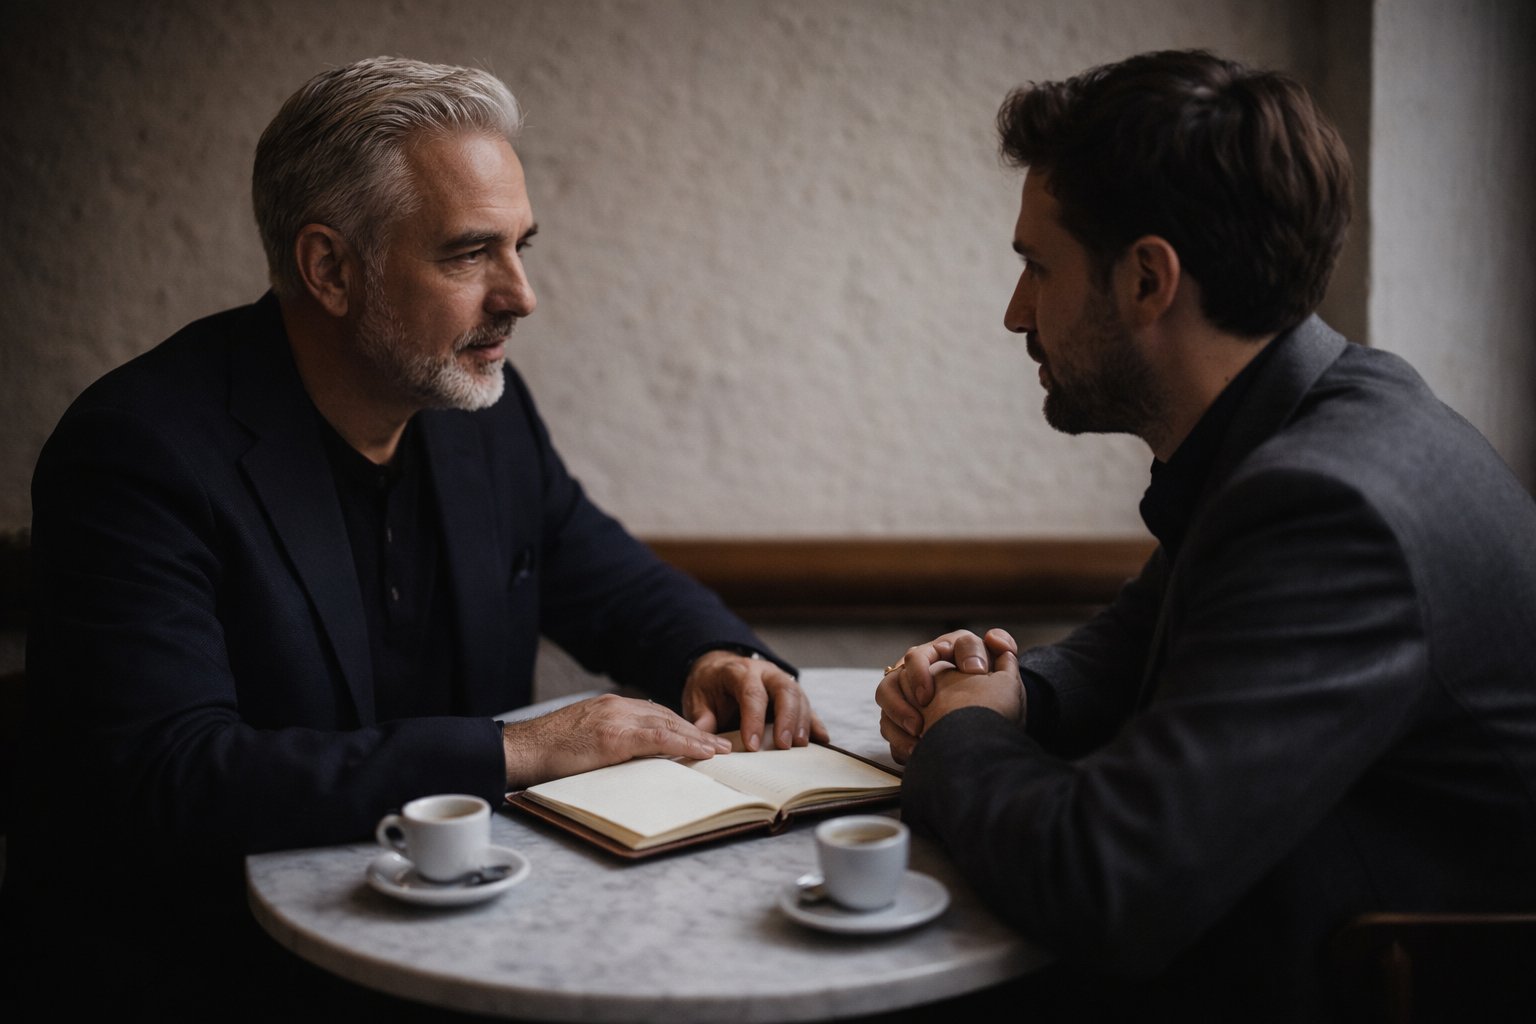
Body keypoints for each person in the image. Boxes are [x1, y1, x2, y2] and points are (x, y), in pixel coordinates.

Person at [2, 56, 822, 1010]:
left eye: (522, 246)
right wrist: (519, 751)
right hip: (207, 973)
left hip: (460, 948)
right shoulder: (138, 450)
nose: (521, 295)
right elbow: (172, 777)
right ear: (331, 268)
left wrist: (714, 651)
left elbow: (605, 574)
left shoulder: (481, 409)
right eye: (471, 253)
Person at [875, 49, 1536, 1018]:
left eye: (1036, 266)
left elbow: (1106, 883)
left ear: (1147, 280)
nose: (1015, 312)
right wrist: (1021, 689)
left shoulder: (1332, 503)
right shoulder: (1318, 411)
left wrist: (959, 729)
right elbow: (1150, 629)